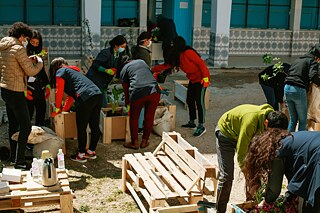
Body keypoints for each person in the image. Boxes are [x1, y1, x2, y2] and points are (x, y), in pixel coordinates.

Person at [214, 104, 288, 213]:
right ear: (266, 123)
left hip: (244, 134)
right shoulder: (250, 122)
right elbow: (241, 152)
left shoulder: (273, 118)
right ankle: (220, 210)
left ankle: (251, 205)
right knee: (227, 176)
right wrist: (247, 173)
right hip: (226, 134)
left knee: (255, 171)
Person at [243, 129, 320, 213]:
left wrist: (266, 202)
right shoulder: (288, 139)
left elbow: (274, 189)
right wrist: (290, 195)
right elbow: (299, 175)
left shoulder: (276, 150)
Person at [0, 22, 43, 169]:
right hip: (16, 91)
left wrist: (27, 61)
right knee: (26, 126)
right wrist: (40, 63)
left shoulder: (4, 47)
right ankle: (19, 162)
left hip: (5, 90)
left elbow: (12, 66)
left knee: (13, 124)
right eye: (25, 38)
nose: (25, 40)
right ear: (21, 35)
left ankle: (13, 156)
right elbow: (31, 71)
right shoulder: (18, 49)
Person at [153, 36, 210, 137]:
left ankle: (201, 126)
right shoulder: (176, 56)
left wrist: (206, 79)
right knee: (190, 100)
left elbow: (201, 64)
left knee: (199, 102)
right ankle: (192, 122)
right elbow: (166, 66)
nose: (171, 46)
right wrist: (152, 69)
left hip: (200, 80)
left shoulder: (188, 53)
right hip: (192, 80)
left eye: (172, 44)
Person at [50, 57, 102, 163]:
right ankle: (91, 151)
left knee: (81, 127)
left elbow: (59, 92)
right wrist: (64, 109)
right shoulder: (73, 73)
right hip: (97, 94)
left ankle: (81, 154)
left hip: (85, 97)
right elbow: (71, 97)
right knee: (94, 124)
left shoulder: (61, 71)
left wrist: (58, 109)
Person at [120, 59, 162, 149]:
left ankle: (134, 142)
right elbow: (151, 75)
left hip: (138, 92)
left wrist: (127, 103)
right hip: (154, 91)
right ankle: (144, 141)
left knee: (134, 117)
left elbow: (125, 89)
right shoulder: (142, 62)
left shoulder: (124, 69)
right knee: (149, 117)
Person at [284, 44, 320, 132]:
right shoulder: (312, 61)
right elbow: (313, 76)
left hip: (287, 88)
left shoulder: (298, 60)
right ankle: (300, 144)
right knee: (303, 121)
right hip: (298, 89)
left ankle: (289, 141)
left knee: (293, 119)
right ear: (317, 57)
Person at [86, 35, 129, 107]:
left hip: (104, 83)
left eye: (124, 47)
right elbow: (95, 65)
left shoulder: (118, 55)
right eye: (122, 46)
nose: (123, 48)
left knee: (103, 103)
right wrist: (106, 70)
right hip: (95, 80)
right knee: (99, 103)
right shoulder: (106, 53)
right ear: (116, 45)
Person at [25, 30, 50, 127]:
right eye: (32, 42)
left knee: (41, 112)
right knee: (28, 115)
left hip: (40, 88)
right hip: (28, 88)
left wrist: (47, 85)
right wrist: (24, 90)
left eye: (37, 43)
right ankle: (26, 138)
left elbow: (42, 71)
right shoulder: (23, 53)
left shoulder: (39, 54)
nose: (35, 45)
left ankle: (39, 134)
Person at [131, 31, 153, 134]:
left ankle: (137, 126)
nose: (150, 42)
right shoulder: (144, 53)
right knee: (142, 105)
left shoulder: (136, 49)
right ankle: (140, 127)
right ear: (145, 41)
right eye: (149, 40)